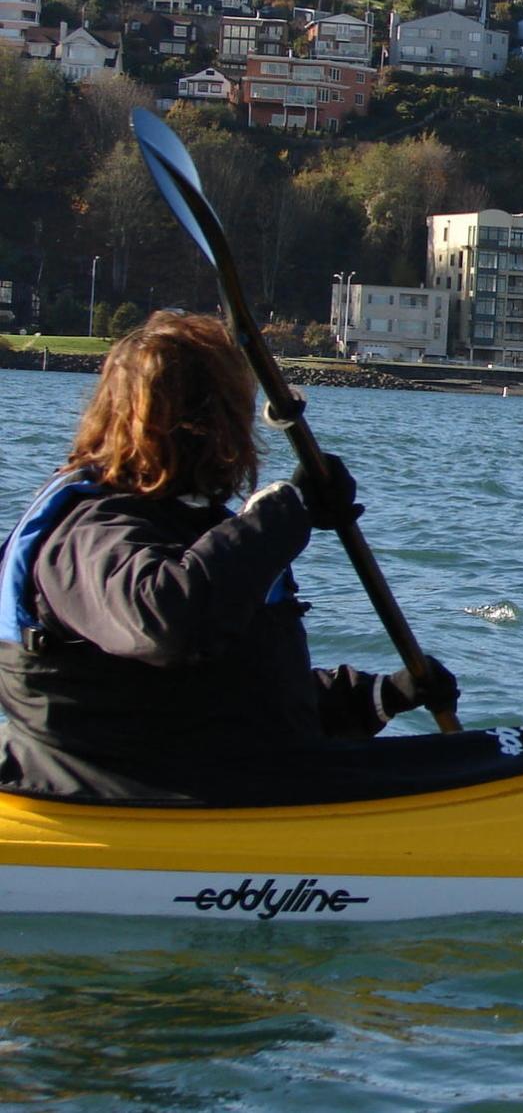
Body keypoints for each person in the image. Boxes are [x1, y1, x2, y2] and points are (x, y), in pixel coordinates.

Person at [0, 310, 457, 803]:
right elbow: (167, 620)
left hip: (218, 785)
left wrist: (381, 697)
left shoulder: (190, 527)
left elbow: (227, 702)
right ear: (203, 425)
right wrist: (286, 512)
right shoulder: (88, 534)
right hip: (116, 805)